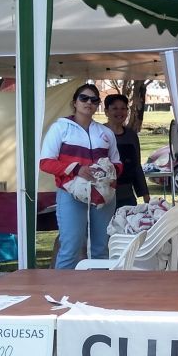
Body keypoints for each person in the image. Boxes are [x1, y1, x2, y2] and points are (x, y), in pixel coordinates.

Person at [40, 83, 121, 269]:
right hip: (71, 193)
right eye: (84, 98)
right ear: (75, 102)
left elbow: (117, 163)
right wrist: (76, 169)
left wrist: (108, 173)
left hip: (103, 195)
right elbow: (45, 162)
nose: (88, 102)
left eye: (94, 100)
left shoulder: (105, 132)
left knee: (102, 248)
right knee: (71, 248)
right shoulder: (60, 128)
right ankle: (62, 286)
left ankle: (99, 286)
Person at [104, 93, 151, 208]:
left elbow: (136, 166)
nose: (119, 112)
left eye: (123, 108)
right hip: (103, 196)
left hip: (127, 196)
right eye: (115, 108)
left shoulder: (131, 135)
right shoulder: (99, 133)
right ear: (106, 112)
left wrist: (145, 194)